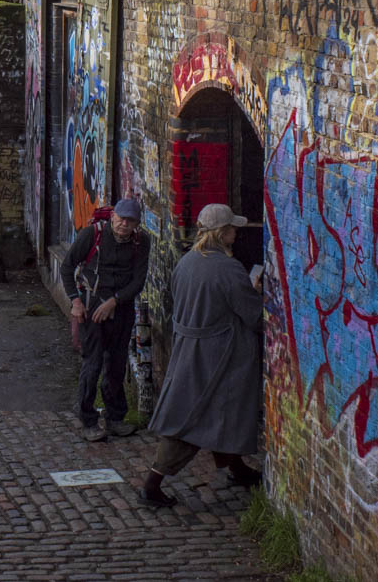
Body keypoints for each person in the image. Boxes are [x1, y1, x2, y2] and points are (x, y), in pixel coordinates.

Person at [143, 203, 263, 507]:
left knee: (221, 411)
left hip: (189, 349)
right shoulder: (228, 268)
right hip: (219, 354)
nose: (237, 233)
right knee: (192, 416)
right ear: (222, 233)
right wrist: (255, 291)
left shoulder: (186, 262)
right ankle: (152, 484)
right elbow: (252, 314)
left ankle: (234, 466)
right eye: (233, 229)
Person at [61, 197, 151, 443]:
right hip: (91, 307)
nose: (124, 224)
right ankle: (88, 420)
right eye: (120, 218)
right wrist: (76, 302)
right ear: (112, 217)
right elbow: (67, 267)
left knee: (117, 364)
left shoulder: (141, 242)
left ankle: (115, 418)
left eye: (130, 221)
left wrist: (115, 301)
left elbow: (138, 281)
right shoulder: (93, 235)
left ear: (136, 224)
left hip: (120, 308)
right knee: (93, 364)